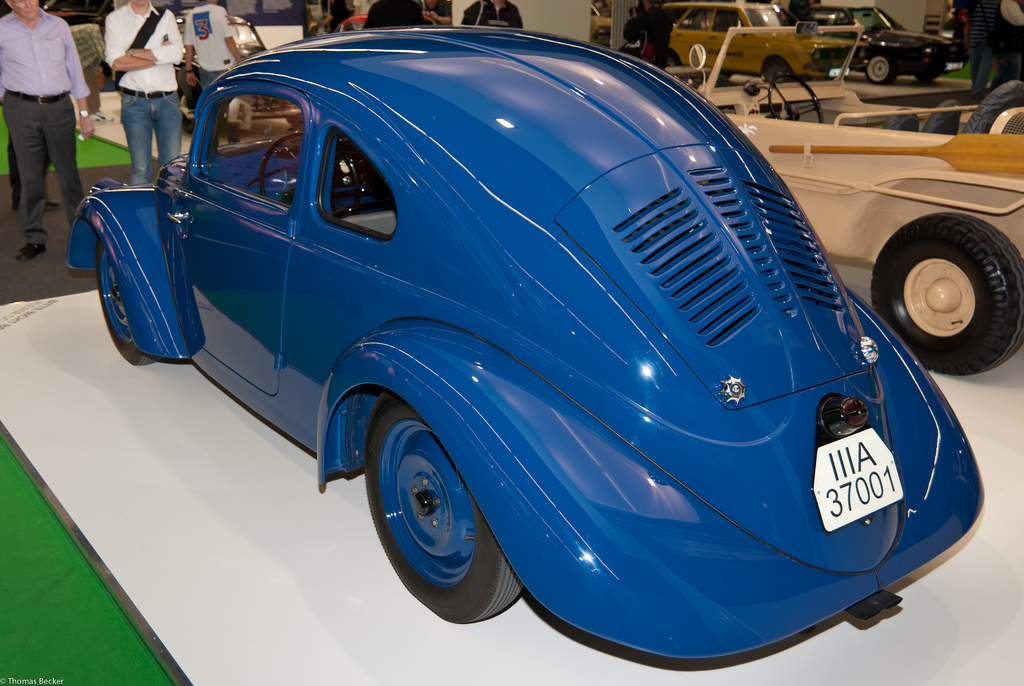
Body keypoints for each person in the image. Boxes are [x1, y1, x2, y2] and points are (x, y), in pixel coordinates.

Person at [0, 0, 94, 261]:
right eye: (20, 0)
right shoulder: (2, 30)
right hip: (21, 109)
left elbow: (75, 70)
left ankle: (82, 233)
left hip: (60, 108)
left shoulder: (59, 25)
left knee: (69, 174)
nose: (28, 3)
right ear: (9, 3)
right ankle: (34, 238)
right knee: (29, 175)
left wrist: (84, 114)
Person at [104, 0, 183, 185]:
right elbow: (117, 63)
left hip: (168, 100)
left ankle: (168, 204)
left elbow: (177, 54)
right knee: (140, 169)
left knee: (172, 169)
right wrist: (160, 56)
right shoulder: (115, 19)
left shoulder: (166, 17)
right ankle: (143, 204)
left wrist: (131, 52)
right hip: (134, 102)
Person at [183, 0, 243, 91]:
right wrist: (239, 61)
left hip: (205, 68)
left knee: (211, 97)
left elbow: (188, 46)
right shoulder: (219, 11)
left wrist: (189, 70)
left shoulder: (190, 15)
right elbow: (228, 39)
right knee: (229, 97)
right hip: (224, 66)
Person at [967, 0, 1002, 99]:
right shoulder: (998, 4)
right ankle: (978, 91)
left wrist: (966, 39)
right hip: (989, 40)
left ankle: (975, 88)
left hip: (974, 38)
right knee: (985, 66)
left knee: (975, 66)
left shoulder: (975, 3)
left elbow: (968, 23)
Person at [623, 0, 673, 69]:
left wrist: (633, 19)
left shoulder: (645, 16)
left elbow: (627, 34)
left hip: (647, 60)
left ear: (645, 2)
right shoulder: (668, 17)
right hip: (662, 61)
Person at [363, 0, 428, 28]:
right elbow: (420, 29)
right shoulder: (412, 7)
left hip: (381, 45)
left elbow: (368, 30)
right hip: (406, 46)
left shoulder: (376, 7)